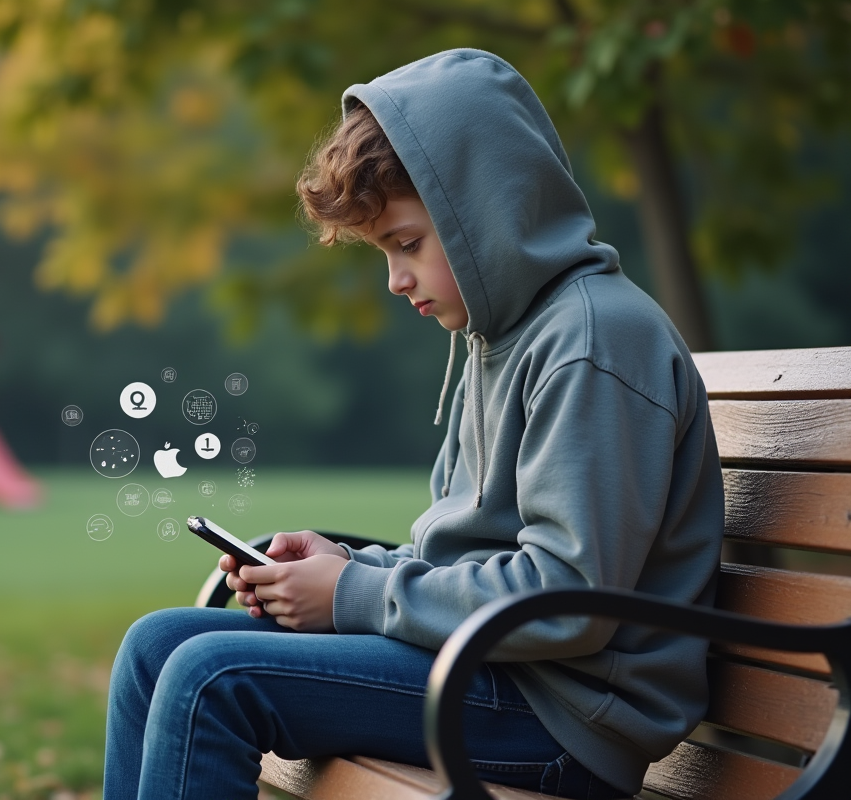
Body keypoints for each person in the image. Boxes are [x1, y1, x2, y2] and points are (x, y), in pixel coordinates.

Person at [102, 49, 723, 800]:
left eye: (406, 244)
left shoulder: (593, 341)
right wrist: (346, 570)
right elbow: (468, 558)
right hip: (491, 668)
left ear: (486, 213)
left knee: (212, 679)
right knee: (153, 647)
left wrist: (353, 595)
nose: (396, 280)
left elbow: (567, 598)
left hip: (562, 711)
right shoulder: (499, 338)